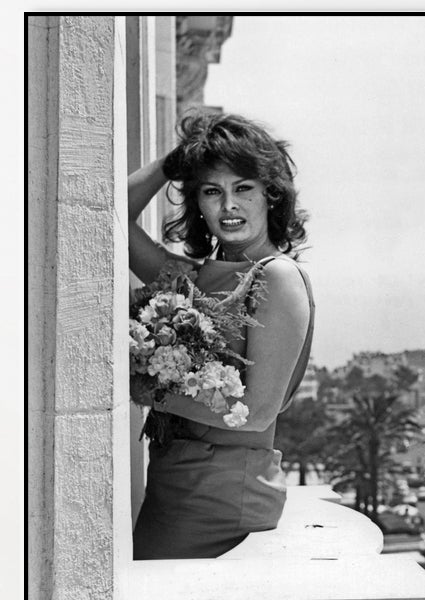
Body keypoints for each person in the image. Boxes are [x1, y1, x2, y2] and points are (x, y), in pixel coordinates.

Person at [127, 112, 314, 559]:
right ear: (198, 204)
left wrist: (142, 387)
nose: (228, 206)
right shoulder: (192, 276)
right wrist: (175, 162)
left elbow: (254, 412)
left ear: (271, 195)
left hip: (223, 499)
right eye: (212, 192)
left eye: (243, 189)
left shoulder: (278, 277)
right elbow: (110, 217)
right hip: (173, 483)